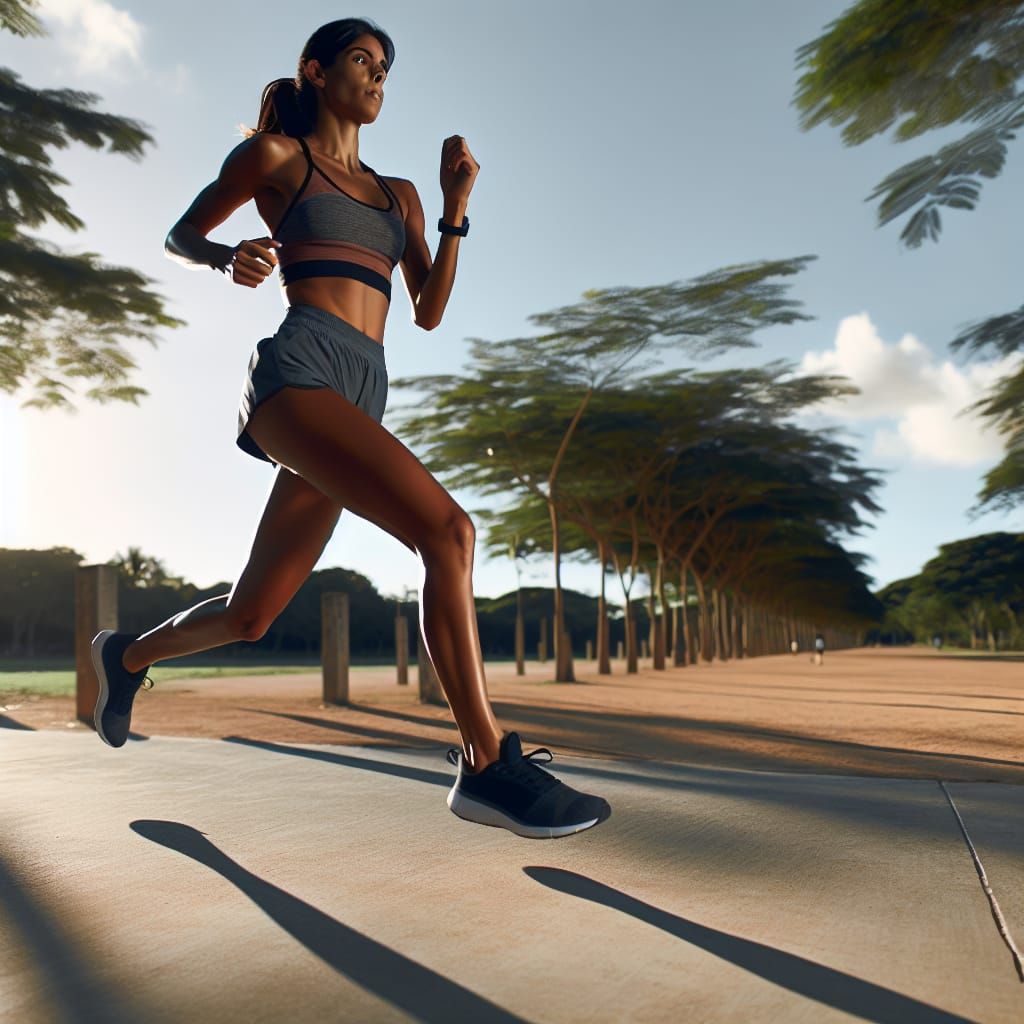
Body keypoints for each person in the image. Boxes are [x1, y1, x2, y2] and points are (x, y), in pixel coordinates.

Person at [89, 18, 610, 841]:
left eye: (385, 69)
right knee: (449, 531)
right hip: (300, 374)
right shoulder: (278, 161)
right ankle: (484, 763)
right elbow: (181, 231)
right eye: (363, 62)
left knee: (254, 614)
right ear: (317, 71)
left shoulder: (395, 194)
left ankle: (126, 655)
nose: (377, 78)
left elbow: (428, 312)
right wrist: (226, 259)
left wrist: (453, 208)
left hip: (364, 389)